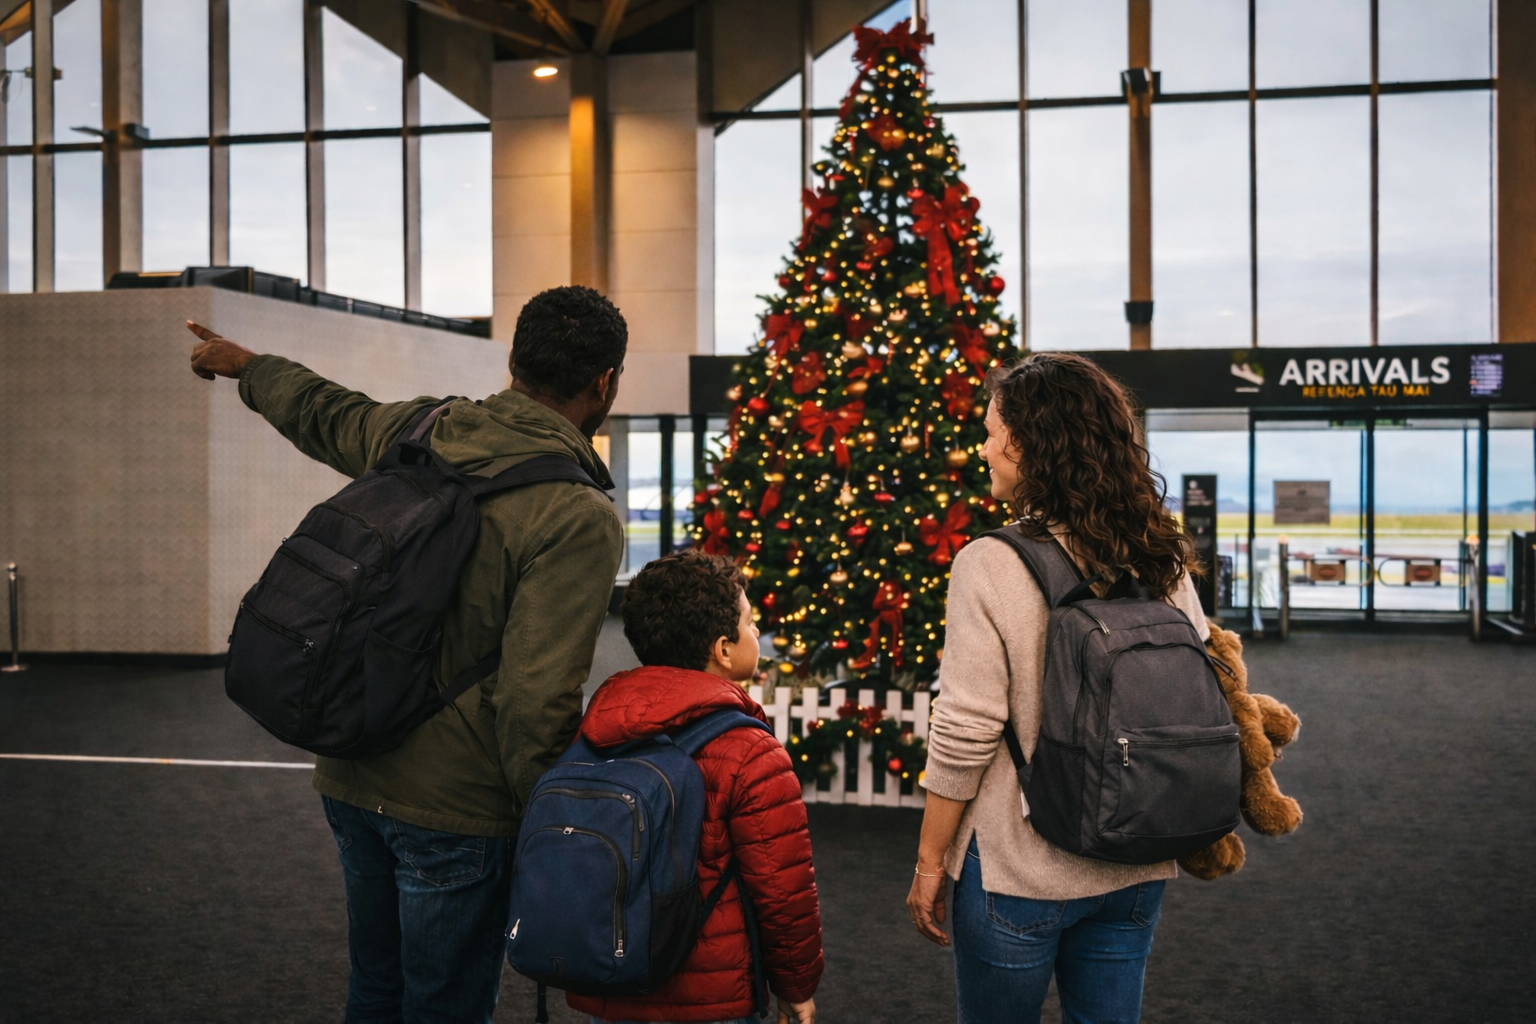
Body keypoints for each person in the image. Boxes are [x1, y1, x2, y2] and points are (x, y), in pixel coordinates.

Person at [187, 285, 628, 1024]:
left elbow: (327, 412)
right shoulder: (576, 515)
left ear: (514, 360)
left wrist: (247, 365)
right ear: (604, 382)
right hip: (457, 808)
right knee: (444, 1006)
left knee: (376, 989)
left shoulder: (425, 428)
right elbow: (535, 698)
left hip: (351, 770)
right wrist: (550, 829)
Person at [906, 352, 1210, 1024]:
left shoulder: (990, 560)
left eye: (990, 431)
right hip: (1135, 855)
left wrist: (931, 861)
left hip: (1020, 867)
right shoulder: (1157, 552)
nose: (983, 447)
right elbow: (1202, 678)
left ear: (1025, 441)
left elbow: (966, 729)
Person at [570, 549, 823, 1024]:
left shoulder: (598, 725)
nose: (756, 633)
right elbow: (782, 891)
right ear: (723, 649)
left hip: (606, 977)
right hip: (711, 996)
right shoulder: (750, 750)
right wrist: (796, 987)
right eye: (749, 622)